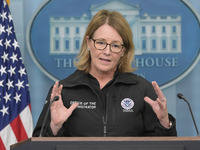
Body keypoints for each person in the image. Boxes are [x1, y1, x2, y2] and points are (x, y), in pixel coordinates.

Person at [33, 9, 177, 137]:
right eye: (101, 42)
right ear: (89, 43)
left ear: (123, 51)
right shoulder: (63, 91)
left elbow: (165, 146)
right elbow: (38, 146)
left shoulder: (142, 90)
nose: (107, 52)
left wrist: (165, 123)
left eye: (115, 45)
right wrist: (55, 127)